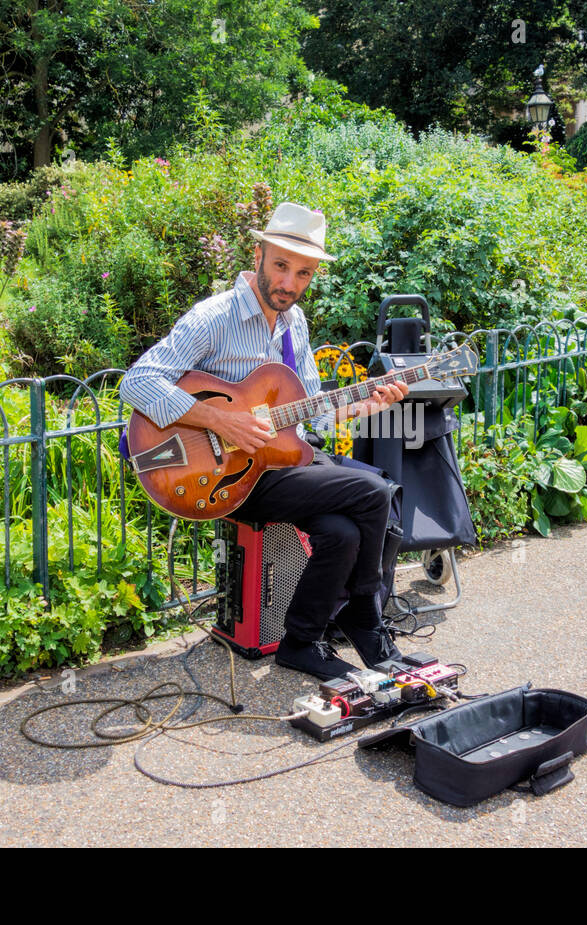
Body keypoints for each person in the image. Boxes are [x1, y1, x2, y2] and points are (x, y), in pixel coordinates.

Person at [119, 202, 411, 680]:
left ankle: (299, 643)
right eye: (281, 265)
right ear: (258, 255)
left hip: (280, 463)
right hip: (227, 479)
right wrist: (219, 421)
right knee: (373, 491)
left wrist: (368, 405)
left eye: (303, 273)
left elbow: (312, 409)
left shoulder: (294, 324)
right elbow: (137, 381)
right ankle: (364, 617)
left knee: (342, 532)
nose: (290, 284)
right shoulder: (215, 317)